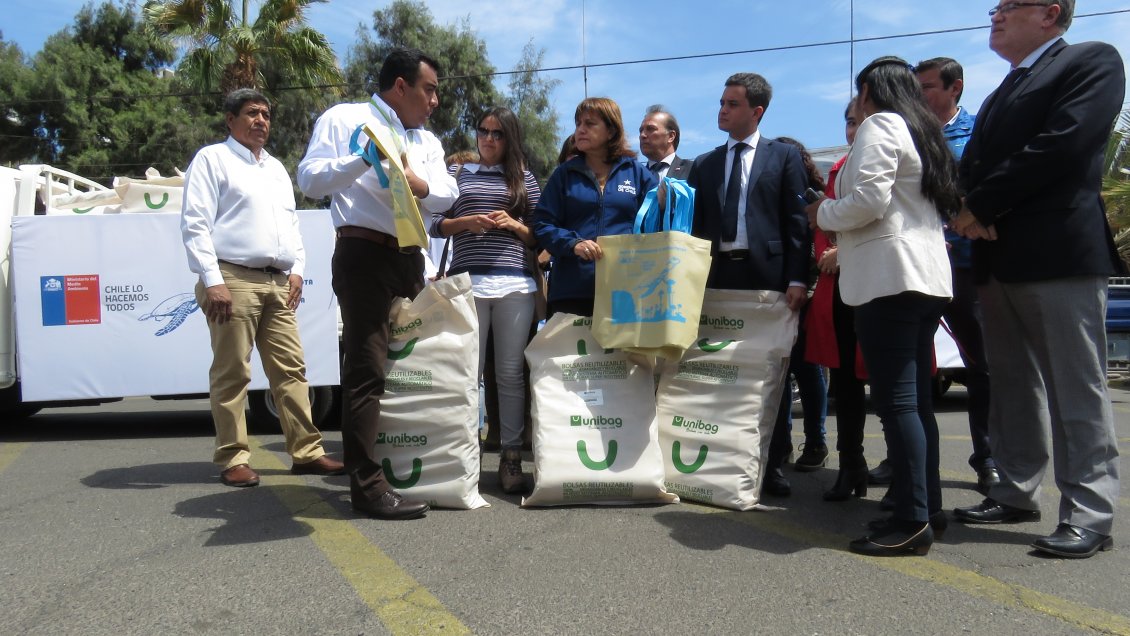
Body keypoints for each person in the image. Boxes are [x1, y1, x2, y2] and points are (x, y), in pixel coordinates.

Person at [952, 0, 1124, 559]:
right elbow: (971, 164)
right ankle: (1015, 490)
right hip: (997, 256)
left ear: (1050, 13)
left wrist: (981, 205)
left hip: (1058, 254)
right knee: (1011, 383)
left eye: (1009, 6)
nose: (995, 15)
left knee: (1076, 386)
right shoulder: (1003, 88)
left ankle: (1090, 513)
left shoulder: (1091, 60)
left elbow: (1063, 144)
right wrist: (965, 205)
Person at [807, 56, 960, 556]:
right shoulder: (924, 130)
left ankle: (911, 521)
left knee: (898, 403)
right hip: (924, 279)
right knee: (915, 404)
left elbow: (868, 201)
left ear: (870, 91)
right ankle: (926, 507)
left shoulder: (881, 125)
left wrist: (823, 212)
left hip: (888, 279)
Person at [297, 48, 458, 520]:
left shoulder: (426, 141)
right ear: (401, 86)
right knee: (367, 369)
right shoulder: (346, 119)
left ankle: (410, 467)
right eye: (429, 90)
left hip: (411, 259)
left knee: (418, 368)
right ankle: (367, 487)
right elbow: (310, 179)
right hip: (364, 254)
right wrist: (360, 161)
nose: (435, 101)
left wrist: (416, 182)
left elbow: (447, 194)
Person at [181, 88, 344, 488]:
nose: (261, 121)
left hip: (278, 281)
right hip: (232, 278)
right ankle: (233, 458)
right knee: (233, 371)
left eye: (266, 114)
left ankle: (306, 452)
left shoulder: (275, 168)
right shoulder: (212, 159)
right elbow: (195, 223)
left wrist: (297, 270)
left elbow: (291, 225)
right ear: (230, 119)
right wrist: (213, 280)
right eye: (252, 113)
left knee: (291, 369)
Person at [688, 72, 810, 497]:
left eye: (732, 104)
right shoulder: (704, 164)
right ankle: (719, 460)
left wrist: (798, 277)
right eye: (722, 102)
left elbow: (796, 224)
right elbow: (695, 228)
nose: (722, 110)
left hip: (768, 278)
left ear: (757, 111)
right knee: (718, 372)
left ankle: (772, 463)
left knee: (769, 373)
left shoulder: (783, 157)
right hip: (717, 278)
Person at [430, 107, 541, 494]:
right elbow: (434, 224)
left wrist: (514, 224)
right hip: (468, 285)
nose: (488, 139)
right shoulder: (457, 174)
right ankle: (466, 457)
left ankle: (511, 457)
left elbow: (540, 235)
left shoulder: (524, 178)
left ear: (510, 138)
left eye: (497, 133)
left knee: (510, 374)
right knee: (468, 375)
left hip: (515, 285)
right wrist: (468, 222)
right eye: (483, 131)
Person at [914, 56, 998, 494]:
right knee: (913, 365)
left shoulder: (980, 131)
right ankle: (905, 459)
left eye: (928, 87)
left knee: (980, 364)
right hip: (917, 264)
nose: (920, 95)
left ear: (955, 88)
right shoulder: (908, 134)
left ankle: (989, 459)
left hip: (965, 263)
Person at [803, 100, 875, 503]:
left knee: (894, 387)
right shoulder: (838, 169)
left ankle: (905, 473)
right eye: (849, 122)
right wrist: (828, 253)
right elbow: (822, 226)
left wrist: (843, 253)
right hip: (840, 291)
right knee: (845, 384)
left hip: (879, 285)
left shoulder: (890, 160)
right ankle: (851, 464)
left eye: (861, 122)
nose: (854, 130)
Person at [534, 97, 657, 317]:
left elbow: (656, 225)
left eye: (589, 124)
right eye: (578, 124)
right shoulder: (564, 175)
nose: (580, 130)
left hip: (625, 292)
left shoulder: (637, 173)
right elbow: (542, 224)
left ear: (611, 131)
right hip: (571, 291)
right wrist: (573, 244)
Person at [770, 137, 829, 475]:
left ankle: (816, 441)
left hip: (807, 290)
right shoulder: (772, 193)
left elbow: (815, 244)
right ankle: (783, 443)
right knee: (780, 369)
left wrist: (806, 285)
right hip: (778, 290)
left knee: (807, 369)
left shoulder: (811, 194)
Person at [639, 105, 694, 180]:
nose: (642, 135)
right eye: (641, 131)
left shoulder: (693, 170)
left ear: (671, 136)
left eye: (650, 129)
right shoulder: (635, 177)